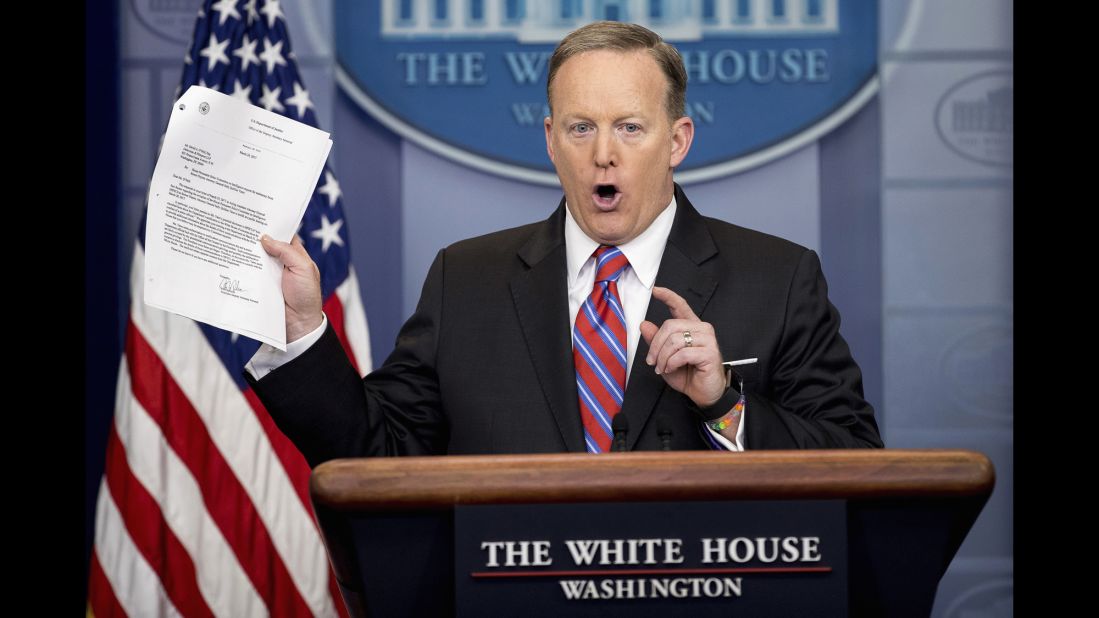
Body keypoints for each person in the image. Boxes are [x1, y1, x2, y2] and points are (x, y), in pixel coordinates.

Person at [244, 21, 882, 467]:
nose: (604, 154)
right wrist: (303, 327)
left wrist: (723, 404)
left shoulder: (780, 278)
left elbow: (855, 462)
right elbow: (375, 452)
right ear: (551, 140)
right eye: (582, 128)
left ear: (679, 141)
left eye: (630, 127)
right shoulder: (465, 281)